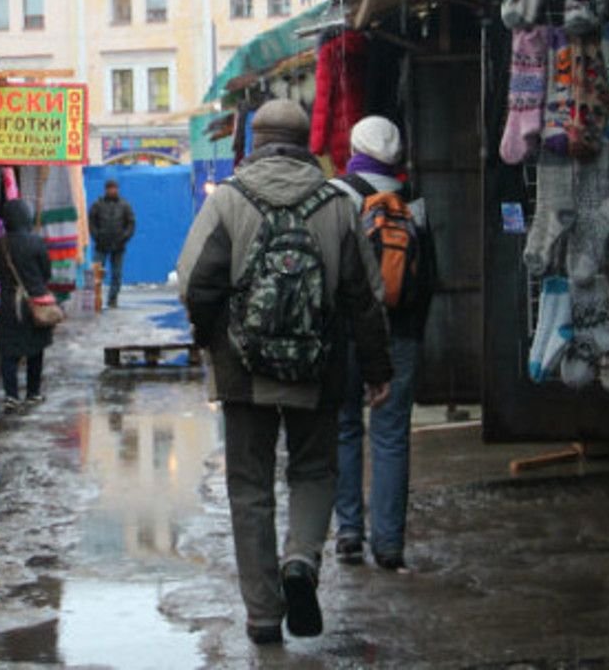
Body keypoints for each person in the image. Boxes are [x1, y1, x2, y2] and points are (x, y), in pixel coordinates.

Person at [176, 98, 391, 645]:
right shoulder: (338, 203)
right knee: (314, 471)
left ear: (254, 141)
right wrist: (376, 368)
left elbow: (194, 283)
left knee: (249, 487)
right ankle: (301, 560)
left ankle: (264, 616)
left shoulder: (228, 200)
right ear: (306, 145)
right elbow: (365, 296)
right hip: (317, 365)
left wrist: (211, 339)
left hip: (242, 369)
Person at [331, 116, 434, 573]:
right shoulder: (413, 201)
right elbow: (430, 275)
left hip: (349, 330)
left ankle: (349, 531)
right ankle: (389, 544)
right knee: (391, 436)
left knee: (345, 426)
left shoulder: (338, 195)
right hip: (402, 333)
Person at [0, 198, 54, 412]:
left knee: (9, 351)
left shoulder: (0, 244)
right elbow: (47, 272)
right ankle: (32, 393)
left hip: (9, 303)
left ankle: (11, 395)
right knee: (35, 349)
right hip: (34, 303)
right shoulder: (36, 242)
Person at [89, 178, 135, 308]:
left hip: (119, 245)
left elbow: (131, 223)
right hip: (101, 244)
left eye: (114, 188)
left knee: (117, 274)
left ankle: (112, 299)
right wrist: (96, 236)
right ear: (106, 190)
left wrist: (124, 237)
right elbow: (91, 221)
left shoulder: (125, 205)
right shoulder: (97, 205)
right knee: (96, 274)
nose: (112, 190)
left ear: (117, 189)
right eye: (110, 188)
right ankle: (95, 299)